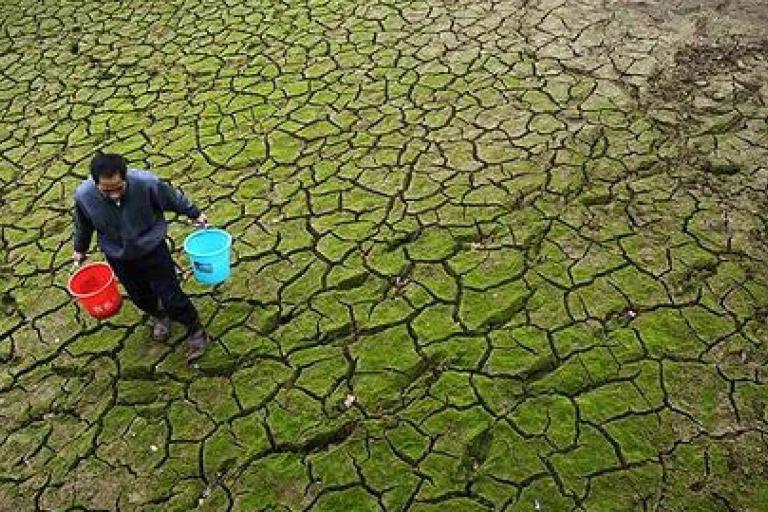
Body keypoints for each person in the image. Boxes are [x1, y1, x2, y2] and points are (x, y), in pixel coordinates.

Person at [72, 152, 210, 362]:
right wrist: (80, 249)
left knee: (171, 296)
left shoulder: (146, 183)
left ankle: (194, 328)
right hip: (119, 256)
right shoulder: (84, 196)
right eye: (107, 191)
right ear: (95, 182)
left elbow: (173, 198)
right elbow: (83, 224)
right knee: (140, 296)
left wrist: (195, 213)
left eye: (119, 188)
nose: (115, 195)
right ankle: (159, 315)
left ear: (125, 177)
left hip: (153, 249)